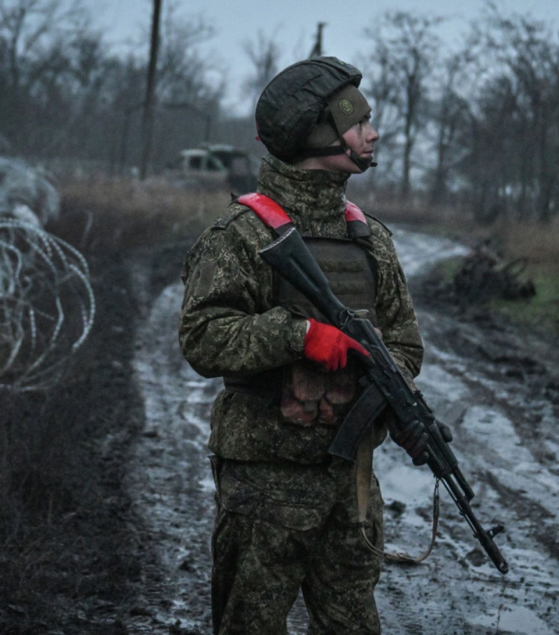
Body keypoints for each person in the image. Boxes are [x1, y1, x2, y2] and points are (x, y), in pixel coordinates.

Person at [178, 56, 428, 634]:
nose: (374, 132)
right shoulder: (239, 238)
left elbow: (406, 345)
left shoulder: (371, 241)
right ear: (318, 133)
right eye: (358, 122)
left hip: (351, 490)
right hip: (264, 487)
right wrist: (300, 336)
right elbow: (201, 337)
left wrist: (380, 374)